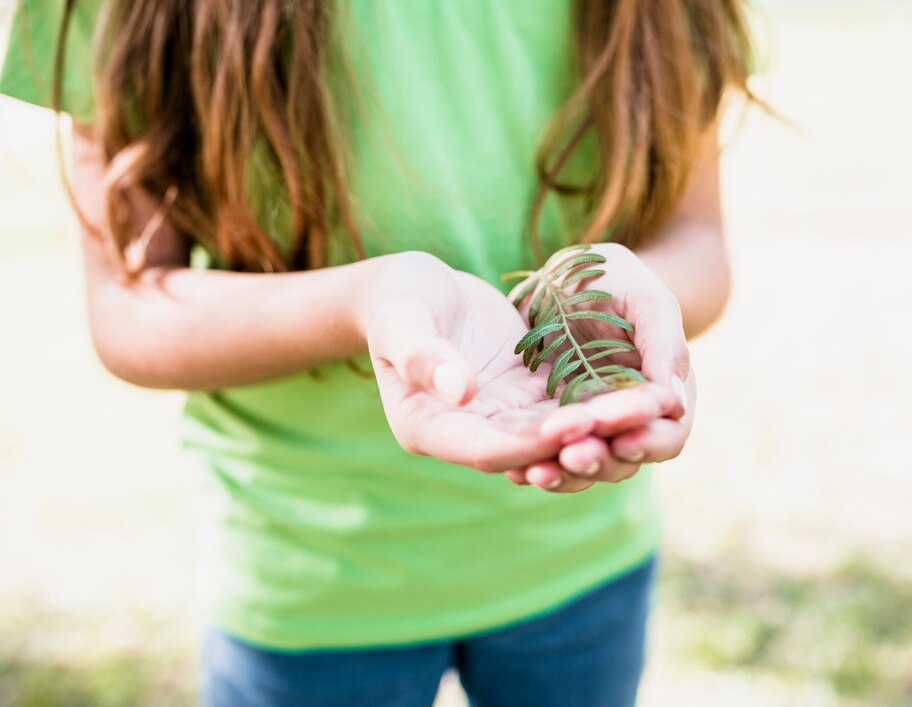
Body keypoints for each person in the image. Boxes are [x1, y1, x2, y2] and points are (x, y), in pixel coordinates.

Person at [0, 1, 753, 704]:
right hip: (310, 580)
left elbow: (699, 245)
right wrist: (363, 301)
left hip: (583, 561)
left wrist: (627, 289)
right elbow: (129, 308)